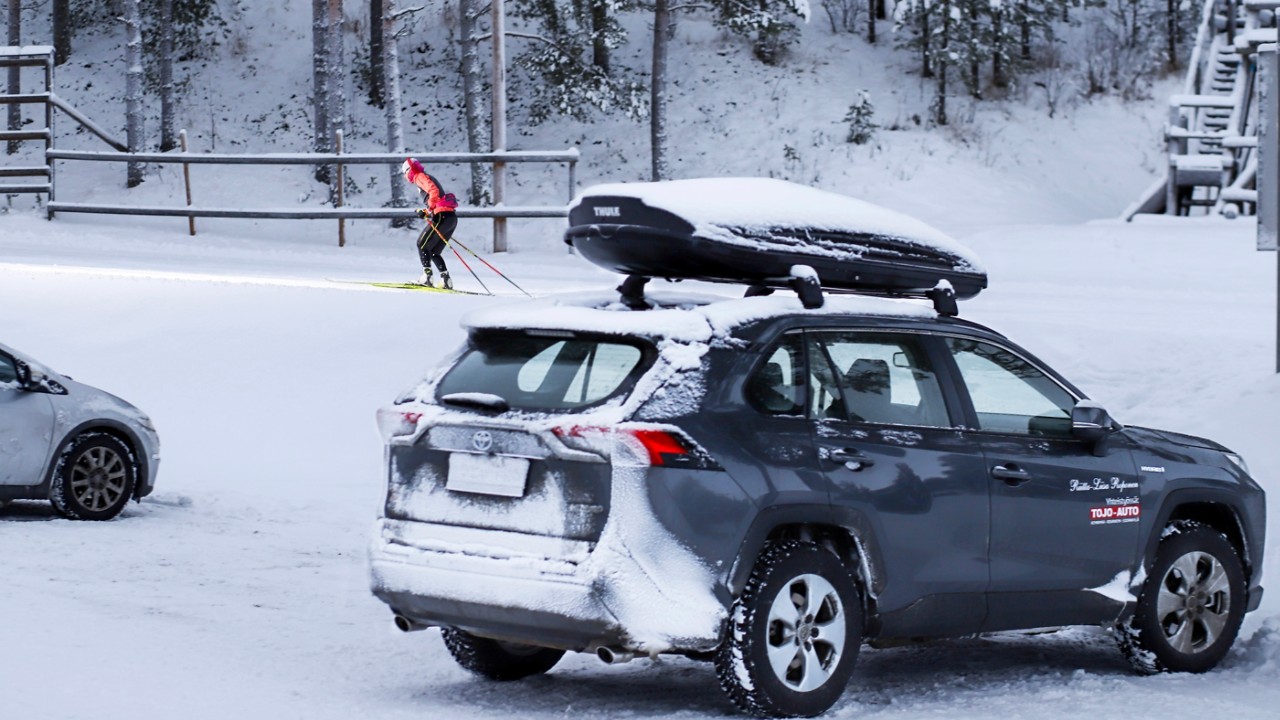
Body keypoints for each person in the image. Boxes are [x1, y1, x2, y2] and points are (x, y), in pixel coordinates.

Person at [402, 157, 460, 289]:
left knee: (421, 244)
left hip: (442, 216)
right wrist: (427, 212)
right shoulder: (425, 176)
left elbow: (434, 191)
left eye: (405, 173)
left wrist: (428, 209)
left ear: (408, 170)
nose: (405, 176)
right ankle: (446, 280)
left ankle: (427, 278)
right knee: (433, 251)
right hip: (450, 217)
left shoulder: (419, 176)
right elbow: (437, 198)